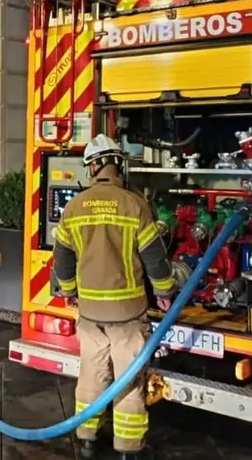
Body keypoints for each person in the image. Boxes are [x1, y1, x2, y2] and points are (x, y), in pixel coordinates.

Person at [51, 134, 177, 460]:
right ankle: (128, 448)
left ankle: (87, 438)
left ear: (92, 168)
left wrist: (69, 291)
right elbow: (154, 258)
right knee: (129, 382)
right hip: (127, 314)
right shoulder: (134, 204)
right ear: (117, 164)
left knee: (91, 376)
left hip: (90, 314)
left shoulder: (73, 207)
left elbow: (62, 258)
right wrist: (164, 292)